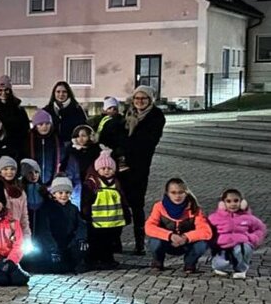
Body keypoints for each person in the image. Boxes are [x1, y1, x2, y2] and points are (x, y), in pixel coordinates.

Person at [124, 86, 166, 255]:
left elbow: (147, 142)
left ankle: (139, 242)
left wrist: (126, 149)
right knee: (121, 202)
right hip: (121, 165)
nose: (139, 102)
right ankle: (115, 241)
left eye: (143, 99)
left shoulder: (155, 117)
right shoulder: (127, 115)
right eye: (137, 98)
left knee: (137, 204)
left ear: (150, 100)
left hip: (139, 165)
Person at [145, 178, 211, 274]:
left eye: (180, 192)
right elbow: (149, 227)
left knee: (203, 243)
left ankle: (190, 263)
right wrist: (170, 236)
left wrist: (186, 237)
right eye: (173, 192)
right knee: (154, 241)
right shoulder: (159, 207)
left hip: (186, 243)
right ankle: (158, 261)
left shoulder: (194, 208)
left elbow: (206, 231)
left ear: (185, 193)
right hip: (166, 242)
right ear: (167, 193)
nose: (177, 196)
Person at [82, 149, 130, 269]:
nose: (106, 171)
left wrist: (126, 214)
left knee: (110, 243)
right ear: (97, 169)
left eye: (109, 169)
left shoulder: (117, 183)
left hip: (114, 221)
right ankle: (94, 260)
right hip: (97, 221)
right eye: (103, 169)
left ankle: (108, 259)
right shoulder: (92, 184)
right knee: (97, 242)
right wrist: (86, 215)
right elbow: (87, 201)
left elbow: (123, 200)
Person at [33, 176, 86, 274]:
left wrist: (81, 238)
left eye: (67, 192)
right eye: (60, 193)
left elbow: (80, 225)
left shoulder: (73, 209)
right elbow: (44, 231)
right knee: (57, 267)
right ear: (54, 194)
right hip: (53, 245)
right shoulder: (47, 209)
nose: (64, 195)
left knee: (73, 260)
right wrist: (53, 249)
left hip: (67, 244)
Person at [208, 188, 265, 279]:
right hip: (222, 247)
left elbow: (260, 229)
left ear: (242, 202)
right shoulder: (215, 217)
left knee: (244, 248)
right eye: (229, 201)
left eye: (236, 201)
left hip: (240, 244)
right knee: (220, 265)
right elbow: (207, 230)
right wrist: (214, 241)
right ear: (223, 203)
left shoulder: (248, 218)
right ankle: (218, 264)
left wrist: (251, 238)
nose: (233, 204)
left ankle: (241, 269)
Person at [0, 75, 30, 149]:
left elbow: (25, 131)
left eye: (6, 90)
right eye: (0, 90)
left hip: (14, 148)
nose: (3, 93)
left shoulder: (18, 110)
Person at [24, 110, 64, 186]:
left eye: (47, 124)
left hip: (52, 182)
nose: (44, 127)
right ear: (35, 126)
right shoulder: (28, 140)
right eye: (40, 124)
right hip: (32, 183)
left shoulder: (57, 140)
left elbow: (62, 159)